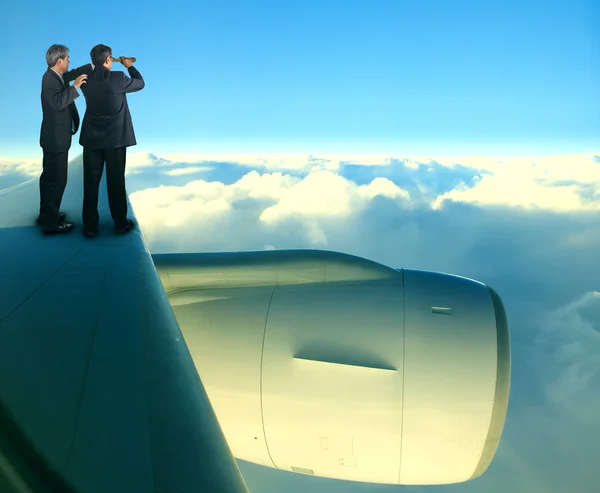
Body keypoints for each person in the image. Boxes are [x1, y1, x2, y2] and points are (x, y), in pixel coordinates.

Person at [79, 44, 144, 238]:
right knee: (115, 182)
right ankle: (120, 223)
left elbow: (93, 74)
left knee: (90, 183)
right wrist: (128, 65)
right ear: (109, 60)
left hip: (91, 139)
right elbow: (140, 83)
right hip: (116, 140)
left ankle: (90, 227)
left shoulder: (84, 81)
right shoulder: (118, 78)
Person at [38, 44, 90, 234]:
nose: (69, 61)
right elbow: (58, 103)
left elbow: (74, 72)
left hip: (54, 138)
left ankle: (47, 214)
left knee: (48, 178)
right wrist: (75, 86)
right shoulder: (49, 79)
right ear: (59, 61)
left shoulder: (57, 76)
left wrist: (92, 66)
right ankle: (51, 224)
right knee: (57, 181)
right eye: (67, 58)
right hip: (55, 140)